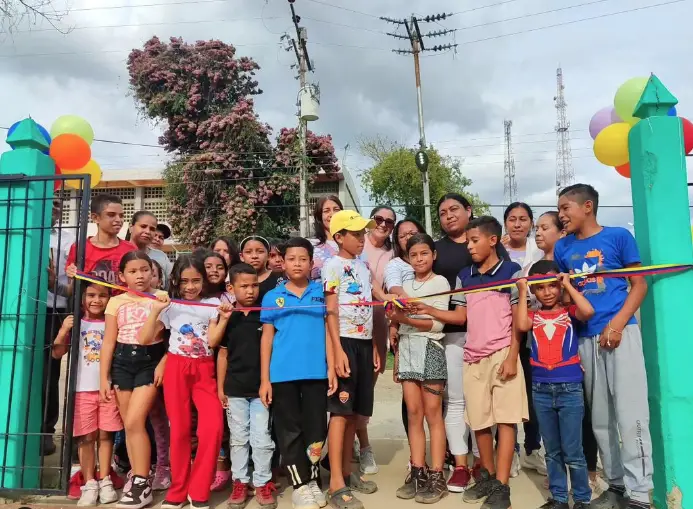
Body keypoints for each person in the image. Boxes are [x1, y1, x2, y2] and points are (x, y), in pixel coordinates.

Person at [413, 216, 528, 509]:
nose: (470, 247)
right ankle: (487, 476)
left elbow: (518, 321)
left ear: (492, 240)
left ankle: (502, 486)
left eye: (474, 240)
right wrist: (429, 309)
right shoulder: (465, 275)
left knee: (504, 421)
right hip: (473, 356)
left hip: (503, 354)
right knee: (479, 422)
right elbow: (460, 317)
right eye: (468, 242)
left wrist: (513, 356)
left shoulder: (512, 272)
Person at [554, 184, 652, 509]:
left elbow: (639, 285)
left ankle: (640, 495)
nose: (561, 215)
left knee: (631, 413)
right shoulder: (562, 249)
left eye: (566, 208)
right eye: (559, 209)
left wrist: (618, 324)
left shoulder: (618, 237)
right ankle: (616, 487)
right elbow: (570, 297)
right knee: (600, 418)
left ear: (588, 206)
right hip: (586, 338)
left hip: (620, 334)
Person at [140, 254, 230, 509]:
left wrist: (223, 319)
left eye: (196, 280)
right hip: (177, 369)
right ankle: (178, 491)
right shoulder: (169, 304)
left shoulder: (213, 303)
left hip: (204, 370)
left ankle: (199, 489)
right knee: (178, 432)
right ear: (176, 282)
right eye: (185, 281)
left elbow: (212, 342)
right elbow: (146, 338)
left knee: (212, 429)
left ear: (204, 280)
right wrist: (156, 309)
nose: (190, 287)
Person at [434, 193, 511, 490]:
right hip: (454, 334)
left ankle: (486, 464)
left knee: (488, 404)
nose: (449, 215)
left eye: (455, 209)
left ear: (469, 211)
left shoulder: (494, 248)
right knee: (456, 401)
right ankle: (461, 465)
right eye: (443, 212)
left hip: (492, 338)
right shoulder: (437, 249)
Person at [323, 210, 395, 509]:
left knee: (355, 413)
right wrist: (337, 351)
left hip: (365, 344)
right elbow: (330, 312)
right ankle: (335, 483)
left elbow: (376, 298)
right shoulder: (332, 266)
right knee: (340, 413)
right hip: (345, 344)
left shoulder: (364, 266)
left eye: (363, 233)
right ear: (339, 237)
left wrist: (376, 347)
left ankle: (349, 472)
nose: (362, 238)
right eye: (355, 234)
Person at [259, 237, 336, 509]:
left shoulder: (321, 293)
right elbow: (266, 340)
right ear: (282, 262)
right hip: (282, 375)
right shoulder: (272, 296)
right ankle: (299, 485)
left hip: (316, 373)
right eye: (291, 258)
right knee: (289, 431)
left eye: (303, 259)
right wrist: (265, 379)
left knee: (316, 429)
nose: (297, 263)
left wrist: (332, 367)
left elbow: (328, 332)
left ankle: (312, 478)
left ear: (312, 263)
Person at [515, 261, 595, 509]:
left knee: (573, 451)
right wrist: (521, 292)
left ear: (559, 286)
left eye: (552, 286)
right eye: (540, 288)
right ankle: (559, 498)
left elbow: (588, 311)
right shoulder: (533, 315)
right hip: (541, 389)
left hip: (569, 388)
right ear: (533, 291)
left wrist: (568, 285)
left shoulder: (570, 313)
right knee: (551, 450)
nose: (547, 292)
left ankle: (581, 498)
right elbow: (520, 326)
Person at [99, 251, 168, 509]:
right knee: (129, 426)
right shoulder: (116, 303)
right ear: (122, 276)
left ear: (153, 272)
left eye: (144, 270)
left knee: (134, 421)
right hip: (121, 363)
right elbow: (108, 342)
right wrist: (103, 377)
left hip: (149, 361)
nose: (140, 276)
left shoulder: (161, 299)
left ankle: (141, 481)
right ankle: (139, 476)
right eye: (133, 271)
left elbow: (160, 338)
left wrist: (163, 362)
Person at [389, 234, 450, 504]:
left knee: (433, 414)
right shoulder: (404, 285)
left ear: (433, 255)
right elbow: (400, 322)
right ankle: (417, 470)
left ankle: (437, 474)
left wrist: (403, 318)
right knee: (413, 414)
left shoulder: (441, 282)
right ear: (407, 258)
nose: (419, 259)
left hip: (431, 350)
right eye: (413, 255)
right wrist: (397, 320)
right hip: (407, 350)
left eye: (424, 253)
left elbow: (437, 324)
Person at [52, 282, 122, 506]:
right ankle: (89, 482)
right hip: (82, 388)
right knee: (86, 437)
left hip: (108, 388)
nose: (96, 300)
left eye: (102, 295)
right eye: (91, 295)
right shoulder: (76, 323)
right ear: (81, 298)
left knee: (105, 435)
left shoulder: (114, 324)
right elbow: (56, 353)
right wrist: (63, 330)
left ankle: (105, 480)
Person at [218, 263, 277, 509]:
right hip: (234, 390)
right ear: (231, 288)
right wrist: (221, 389)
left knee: (262, 438)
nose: (250, 291)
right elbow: (222, 355)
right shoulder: (227, 317)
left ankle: (263, 482)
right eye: (244, 286)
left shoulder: (264, 314)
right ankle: (240, 481)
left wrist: (269, 382)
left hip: (260, 389)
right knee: (238, 439)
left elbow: (272, 351)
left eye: (254, 285)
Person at [502, 202, 547, 477]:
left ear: (530, 223)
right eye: (512, 219)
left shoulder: (539, 250)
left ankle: (532, 448)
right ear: (504, 222)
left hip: (535, 328)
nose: (517, 224)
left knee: (532, 392)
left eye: (523, 219)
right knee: (507, 390)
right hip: (504, 328)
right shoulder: (498, 251)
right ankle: (510, 451)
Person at [357, 206, 395, 475]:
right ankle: (361, 446)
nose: (383, 224)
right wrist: (382, 294)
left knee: (367, 385)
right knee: (348, 386)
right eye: (378, 219)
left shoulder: (394, 254)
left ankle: (361, 446)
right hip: (349, 324)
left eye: (389, 222)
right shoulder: (355, 244)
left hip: (378, 323)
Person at [383, 218, 426, 440]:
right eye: (402, 235)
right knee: (411, 397)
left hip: (434, 332)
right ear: (397, 242)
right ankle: (415, 451)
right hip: (408, 333)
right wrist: (419, 304)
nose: (408, 238)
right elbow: (395, 289)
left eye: (412, 232)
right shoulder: (396, 265)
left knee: (436, 395)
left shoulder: (429, 259)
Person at [44, 198, 77, 456]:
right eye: (52, 202)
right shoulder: (16, 227)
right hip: (14, 310)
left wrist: (55, 283)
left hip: (53, 309)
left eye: (59, 204)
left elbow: (72, 284)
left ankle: (45, 430)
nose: (56, 208)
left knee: (50, 371)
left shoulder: (68, 240)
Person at [65, 193, 137, 292]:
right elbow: (71, 289)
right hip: (90, 305)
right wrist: (71, 274)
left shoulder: (130, 249)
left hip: (122, 306)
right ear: (95, 218)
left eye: (121, 216)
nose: (118, 220)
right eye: (111, 215)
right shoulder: (79, 248)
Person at [127, 211, 173, 289]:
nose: (147, 231)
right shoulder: (118, 252)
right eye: (143, 226)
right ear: (131, 227)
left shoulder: (161, 256)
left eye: (152, 229)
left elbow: (170, 287)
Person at [309, 195, 344, 281]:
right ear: (319, 217)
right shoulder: (311, 245)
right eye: (326, 211)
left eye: (336, 210)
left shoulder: (352, 243)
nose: (332, 214)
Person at [240, 236, 284, 303]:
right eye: (248, 252)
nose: (254, 256)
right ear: (241, 256)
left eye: (260, 251)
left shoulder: (281, 278)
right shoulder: (237, 279)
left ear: (268, 256)